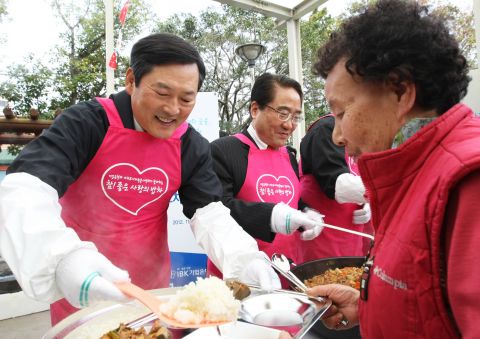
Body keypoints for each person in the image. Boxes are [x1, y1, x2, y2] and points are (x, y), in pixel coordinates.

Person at [0, 33, 279, 325]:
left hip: (152, 294)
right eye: (162, 93)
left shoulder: (189, 145)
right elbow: (27, 187)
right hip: (84, 285)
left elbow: (209, 213)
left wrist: (245, 258)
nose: (173, 109)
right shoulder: (87, 122)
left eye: (186, 98)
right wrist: (63, 258)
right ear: (132, 80)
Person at [301, 0, 480, 338]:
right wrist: (368, 305)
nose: (337, 136)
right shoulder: (420, 171)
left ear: (400, 92)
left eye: (341, 112)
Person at [207, 73, 324, 278]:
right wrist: (272, 216)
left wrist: (306, 213)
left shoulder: (288, 155)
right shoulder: (224, 150)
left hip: (288, 272)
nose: (289, 125)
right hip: (240, 278)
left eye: (295, 116)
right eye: (282, 113)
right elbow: (215, 211)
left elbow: (291, 200)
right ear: (255, 109)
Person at [299, 113, 373, 262]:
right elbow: (337, 184)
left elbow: (363, 176)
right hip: (323, 236)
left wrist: (368, 203)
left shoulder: (362, 134)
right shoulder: (325, 128)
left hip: (353, 237)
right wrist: (379, 191)